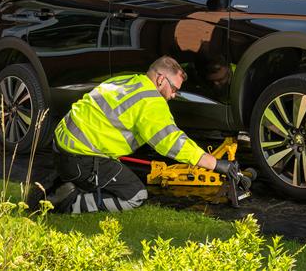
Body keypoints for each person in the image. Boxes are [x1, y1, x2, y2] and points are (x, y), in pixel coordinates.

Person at [31, 56, 237, 213]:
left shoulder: (129, 80)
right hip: (80, 158)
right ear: (160, 79)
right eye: (174, 88)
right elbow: (173, 143)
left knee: (111, 174)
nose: (174, 95)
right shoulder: (151, 102)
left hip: (62, 148)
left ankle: (59, 183)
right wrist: (217, 164)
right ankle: (69, 203)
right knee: (135, 195)